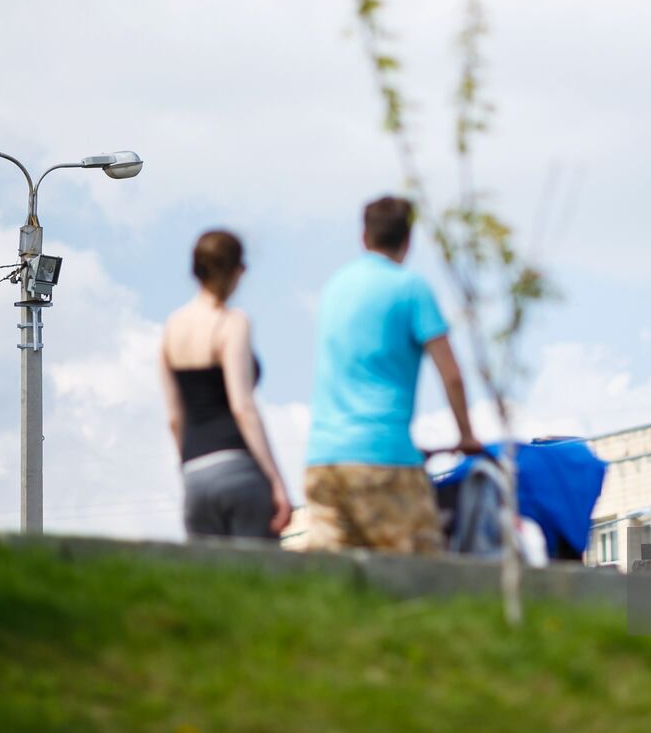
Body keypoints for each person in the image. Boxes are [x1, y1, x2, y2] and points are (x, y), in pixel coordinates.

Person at [305, 196, 482, 554]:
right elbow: (452, 375)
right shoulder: (411, 289)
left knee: (333, 583)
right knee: (423, 575)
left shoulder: (334, 289)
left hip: (323, 460)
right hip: (383, 460)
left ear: (363, 236)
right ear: (408, 240)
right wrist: (466, 435)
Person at [160, 230, 291, 540]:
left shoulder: (171, 328)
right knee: (257, 578)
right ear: (236, 271)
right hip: (237, 468)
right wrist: (276, 481)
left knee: (210, 583)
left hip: (195, 475)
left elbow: (174, 419)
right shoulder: (232, 322)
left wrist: (191, 466)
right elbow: (242, 407)